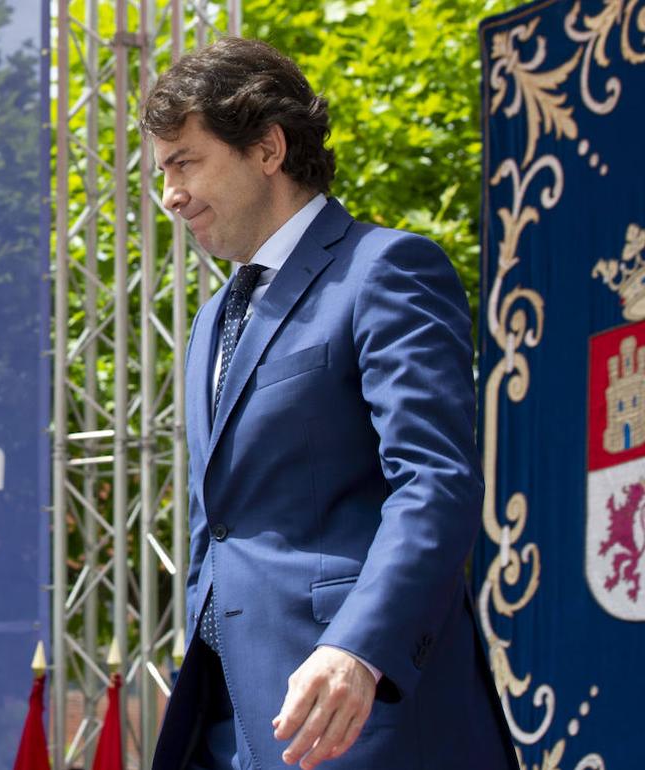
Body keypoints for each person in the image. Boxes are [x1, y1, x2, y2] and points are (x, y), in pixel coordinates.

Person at [142, 37, 516, 770]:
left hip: (360, 714)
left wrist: (358, 646)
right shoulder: (208, 320)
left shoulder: (387, 270)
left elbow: (435, 483)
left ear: (269, 148)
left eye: (184, 162)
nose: (170, 195)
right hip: (228, 727)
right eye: (162, 172)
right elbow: (218, 528)